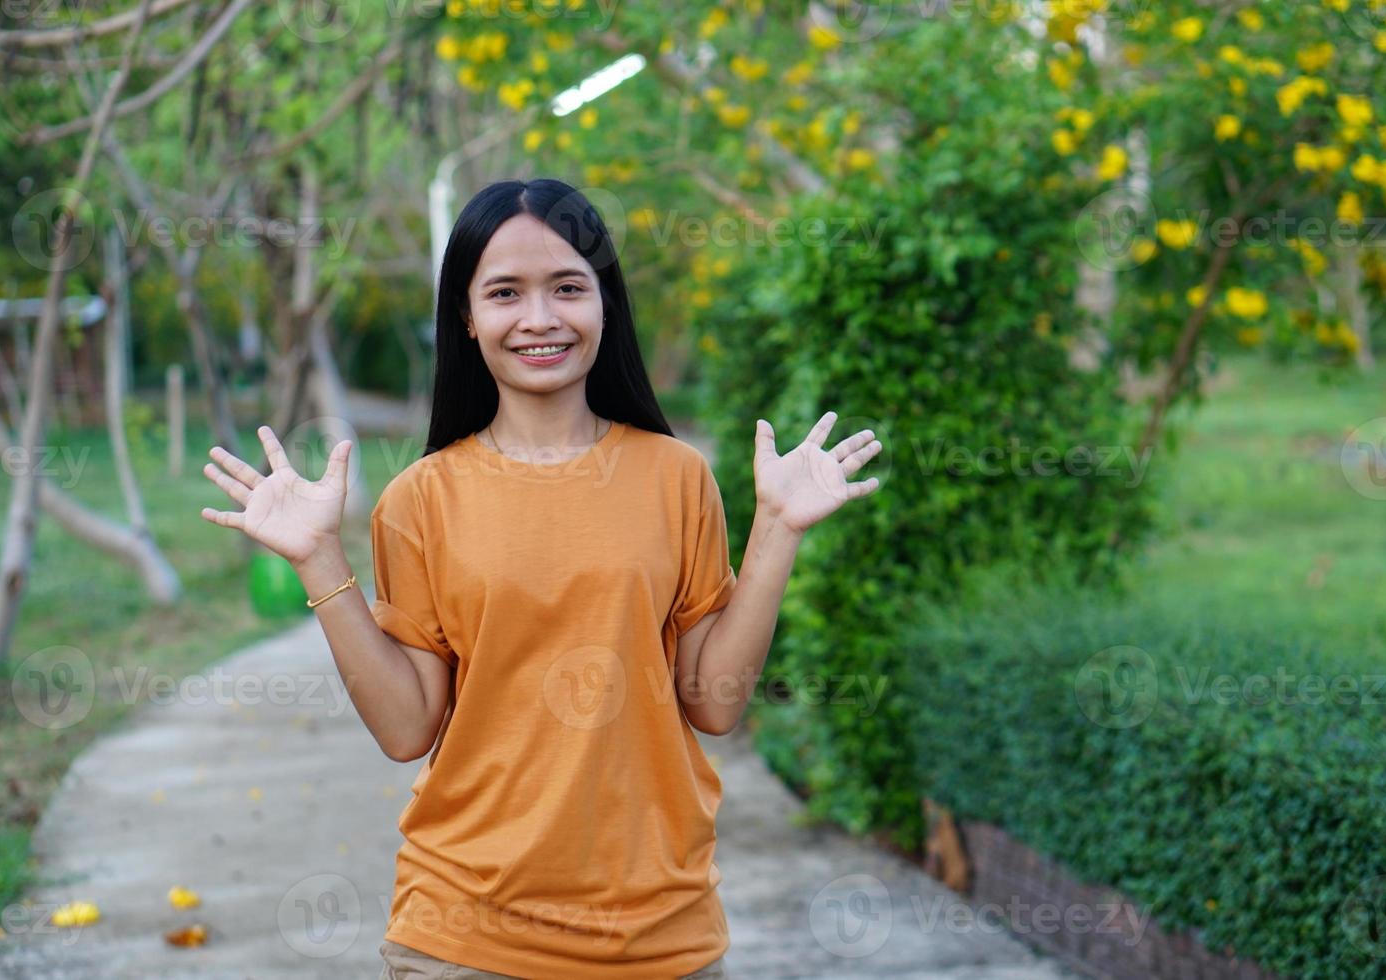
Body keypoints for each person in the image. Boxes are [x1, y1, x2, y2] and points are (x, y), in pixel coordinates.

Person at [200, 178, 883, 979]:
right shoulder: (420, 500)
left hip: (661, 935)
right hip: (465, 937)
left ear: (605, 303)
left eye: (567, 287)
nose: (540, 318)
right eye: (504, 293)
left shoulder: (676, 478)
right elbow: (405, 728)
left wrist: (777, 531)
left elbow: (716, 702)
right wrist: (319, 558)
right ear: (466, 315)